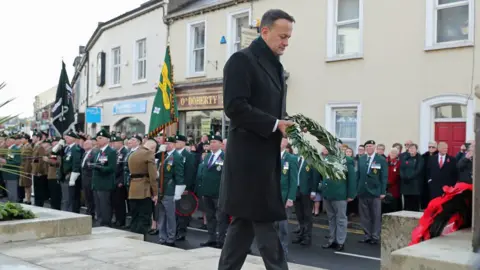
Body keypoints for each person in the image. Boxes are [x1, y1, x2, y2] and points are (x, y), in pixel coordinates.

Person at [218, 9, 295, 270]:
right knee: (266, 223)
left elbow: (272, 110)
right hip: (248, 162)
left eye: (289, 37)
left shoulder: (277, 67)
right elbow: (234, 107)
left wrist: (287, 124)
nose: (286, 42)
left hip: (264, 157)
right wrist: (275, 124)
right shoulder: (242, 60)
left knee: (242, 227)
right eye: (282, 36)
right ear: (265, 31)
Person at [128, 139, 158, 238]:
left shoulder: (133, 154)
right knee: (144, 218)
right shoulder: (148, 154)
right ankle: (141, 240)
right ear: (152, 148)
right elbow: (153, 176)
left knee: (135, 217)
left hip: (133, 189)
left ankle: (133, 238)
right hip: (144, 190)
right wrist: (155, 193)